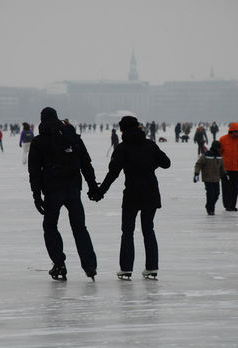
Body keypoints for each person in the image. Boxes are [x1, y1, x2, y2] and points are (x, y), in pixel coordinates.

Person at [92, 116, 171, 280]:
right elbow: (166, 163)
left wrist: (100, 192)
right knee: (148, 229)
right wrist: (150, 165)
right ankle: (152, 267)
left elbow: (113, 173)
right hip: (151, 192)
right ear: (139, 127)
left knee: (127, 231)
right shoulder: (150, 144)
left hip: (132, 194)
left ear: (122, 130)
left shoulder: (123, 148)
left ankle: (126, 268)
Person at [28, 107, 99, 281]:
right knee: (80, 227)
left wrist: (36, 195)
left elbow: (34, 172)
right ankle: (90, 266)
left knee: (50, 226)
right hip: (74, 188)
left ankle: (59, 264)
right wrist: (92, 186)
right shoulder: (72, 136)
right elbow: (86, 163)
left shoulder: (39, 141)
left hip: (53, 191)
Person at [219, 123, 238, 212]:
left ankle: (233, 205)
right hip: (225, 169)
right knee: (226, 188)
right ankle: (227, 205)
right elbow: (219, 153)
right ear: (231, 131)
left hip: (236, 169)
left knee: (234, 188)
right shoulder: (223, 139)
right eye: (234, 132)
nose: (236, 133)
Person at [193, 141, 228, 215]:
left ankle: (209, 205)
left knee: (216, 194)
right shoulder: (205, 155)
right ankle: (210, 209)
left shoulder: (219, 156)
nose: (218, 149)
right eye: (217, 148)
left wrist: (225, 174)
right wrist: (196, 174)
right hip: (207, 178)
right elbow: (198, 164)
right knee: (211, 194)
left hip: (216, 178)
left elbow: (222, 167)